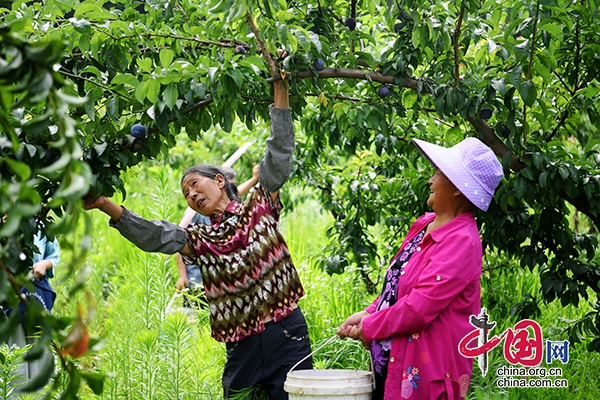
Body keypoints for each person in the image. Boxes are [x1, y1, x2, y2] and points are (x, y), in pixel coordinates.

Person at [83, 80, 312, 399]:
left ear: (220, 181)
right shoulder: (202, 238)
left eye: (194, 184)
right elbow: (157, 236)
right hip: (241, 344)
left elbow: (279, 155)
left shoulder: (259, 206)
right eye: (186, 193)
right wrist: (106, 204)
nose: (190, 194)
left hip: (286, 333)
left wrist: (281, 89)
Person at [337, 137, 503, 400]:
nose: (430, 180)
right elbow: (396, 286)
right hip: (392, 366)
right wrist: (369, 312)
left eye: (437, 173)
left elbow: (417, 308)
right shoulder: (424, 224)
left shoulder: (461, 241)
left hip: (425, 376)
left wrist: (370, 326)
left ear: (458, 187)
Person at [174, 165, 260, 310]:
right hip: (198, 280)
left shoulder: (231, 212)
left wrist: (254, 179)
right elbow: (180, 243)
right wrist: (183, 277)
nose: (192, 195)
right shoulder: (197, 213)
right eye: (187, 193)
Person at [8, 228, 60, 385]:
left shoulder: (39, 225)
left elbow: (54, 255)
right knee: (13, 351)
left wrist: (44, 264)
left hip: (35, 297)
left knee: (39, 346)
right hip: (8, 302)